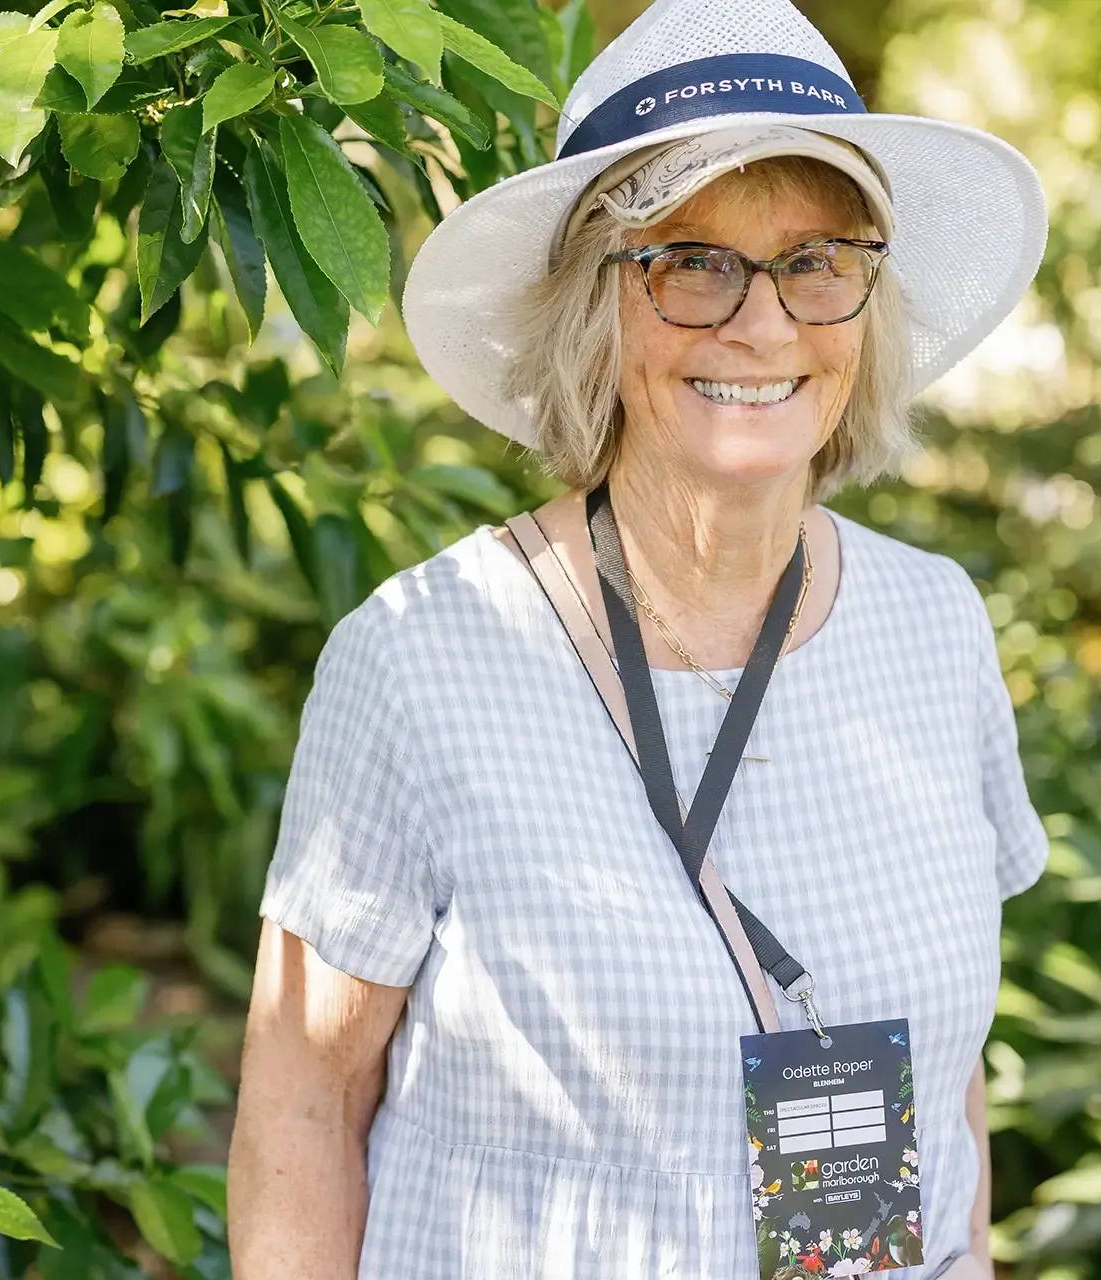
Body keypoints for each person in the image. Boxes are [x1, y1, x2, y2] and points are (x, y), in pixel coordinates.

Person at [227, 0, 1050, 1275]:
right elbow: (302, 1104)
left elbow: (949, 1091)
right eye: (692, 260)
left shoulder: (938, 622)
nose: (762, 323)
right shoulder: (420, 656)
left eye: (815, 259)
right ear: (596, 309)